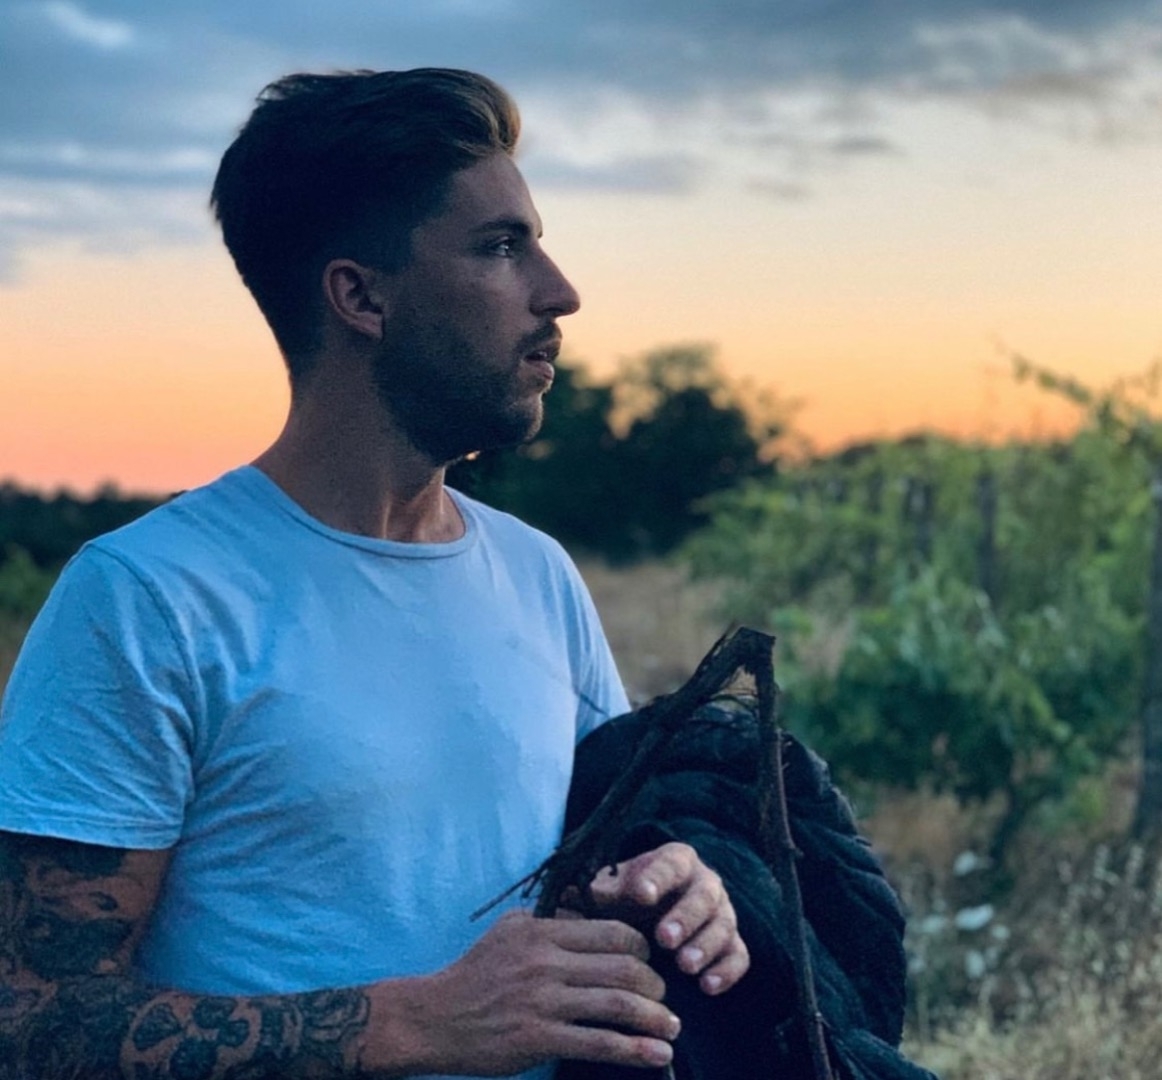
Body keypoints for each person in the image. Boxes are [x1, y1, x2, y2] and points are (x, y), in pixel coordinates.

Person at [0, 69, 749, 1079]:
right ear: (360, 296)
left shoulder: (537, 574)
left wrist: (676, 888)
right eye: (500, 247)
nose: (559, 291)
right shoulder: (146, 600)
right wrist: (413, 1025)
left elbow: (592, 869)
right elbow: (32, 1023)